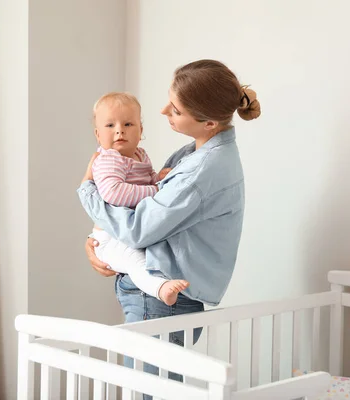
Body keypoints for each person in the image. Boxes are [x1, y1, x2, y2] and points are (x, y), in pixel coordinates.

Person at [78, 59, 261, 392]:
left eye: (175, 110)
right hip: (157, 293)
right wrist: (96, 242)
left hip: (160, 300)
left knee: (151, 391)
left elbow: (136, 229)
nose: (164, 111)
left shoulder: (201, 171)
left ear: (208, 121)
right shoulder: (195, 153)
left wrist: (87, 190)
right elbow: (144, 210)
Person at [87, 91, 190, 306]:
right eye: (110, 126)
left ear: (140, 130)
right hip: (110, 237)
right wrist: (156, 190)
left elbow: (145, 179)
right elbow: (113, 192)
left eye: (128, 124)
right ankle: (160, 288)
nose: (119, 131)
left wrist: (158, 178)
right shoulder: (109, 159)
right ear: (98, 135)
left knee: (141, 258)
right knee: (136, 261)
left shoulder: (140, 155)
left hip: (126, 230)